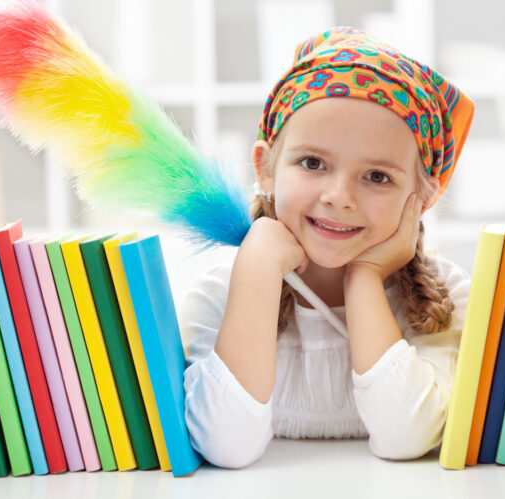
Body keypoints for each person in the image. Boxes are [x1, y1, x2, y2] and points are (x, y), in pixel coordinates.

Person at [181, 26, 474, 469]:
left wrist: (365, 279)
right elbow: (227, 446)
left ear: (424, 196)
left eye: (377, 176)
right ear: (266, 168)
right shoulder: (221, 294)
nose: (339, 196)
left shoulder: (446, 298)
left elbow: (405, 436)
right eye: (312, 163)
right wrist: (258, 269)